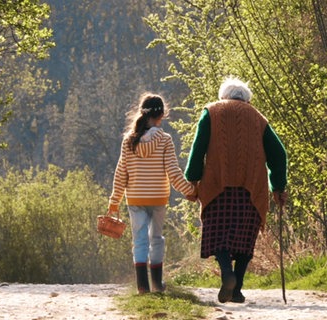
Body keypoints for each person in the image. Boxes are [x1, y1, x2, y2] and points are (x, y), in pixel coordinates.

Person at [184, 77, 288, 303]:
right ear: (246, 99)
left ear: (223, 96)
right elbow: (279, 155)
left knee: (218, 235)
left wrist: (192, 178)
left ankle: (226, 274)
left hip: (217, 187)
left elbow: (198, 147)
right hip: (250, 189)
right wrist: (278, 186)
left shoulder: (211, 112)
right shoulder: (258, 118)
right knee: (244, 238)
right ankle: (237, 288)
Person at [108, 93, 197, 294]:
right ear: (162, 115)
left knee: (139, 240)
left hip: (135, 199)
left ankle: (142, 287)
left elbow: (121, 172)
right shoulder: (164, 140)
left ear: (142, 113)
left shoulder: (129, 141)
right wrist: (190, 191)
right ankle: (157, 285)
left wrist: (114, 201)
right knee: (156, 238)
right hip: (158, 198)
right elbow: (173, 173)